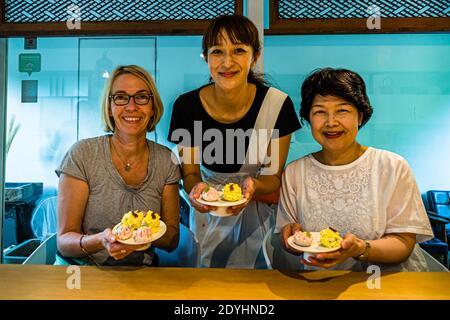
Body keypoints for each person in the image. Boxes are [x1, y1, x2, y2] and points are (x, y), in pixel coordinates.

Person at [168, 15, 301, 268]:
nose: (227, 62)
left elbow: (273, 177)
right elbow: (191, 173)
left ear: (255, 55)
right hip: (208, 212)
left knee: (256, 283)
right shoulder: (186, 107)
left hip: (258, 214)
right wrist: (197, 190)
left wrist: (253, 185)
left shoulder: (277, 105)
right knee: (208, 284)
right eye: (217, 51)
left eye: (239, 50)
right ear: (206, 57)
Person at [277, 67, 434, 271]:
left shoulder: (392, 166)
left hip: (385, 283)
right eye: (320, 112)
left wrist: (361, 248)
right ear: (308, 119)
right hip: (318, 283)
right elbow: (289, 234)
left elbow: (404, 243)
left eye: (342, 110)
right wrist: (291, 238)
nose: (331, 122)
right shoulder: (294, 172)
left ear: (360, 116)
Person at [56, 65, 181, 266]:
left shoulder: (167, 160)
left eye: (141, 97)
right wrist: (102, 240)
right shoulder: (82, 154)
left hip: (141, 275)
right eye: (121, 97)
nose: (131, 106)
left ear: (152, 107)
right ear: (110, 108)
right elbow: (64, 241)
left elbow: (171, 240)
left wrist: (141, 233)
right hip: (84, 273)